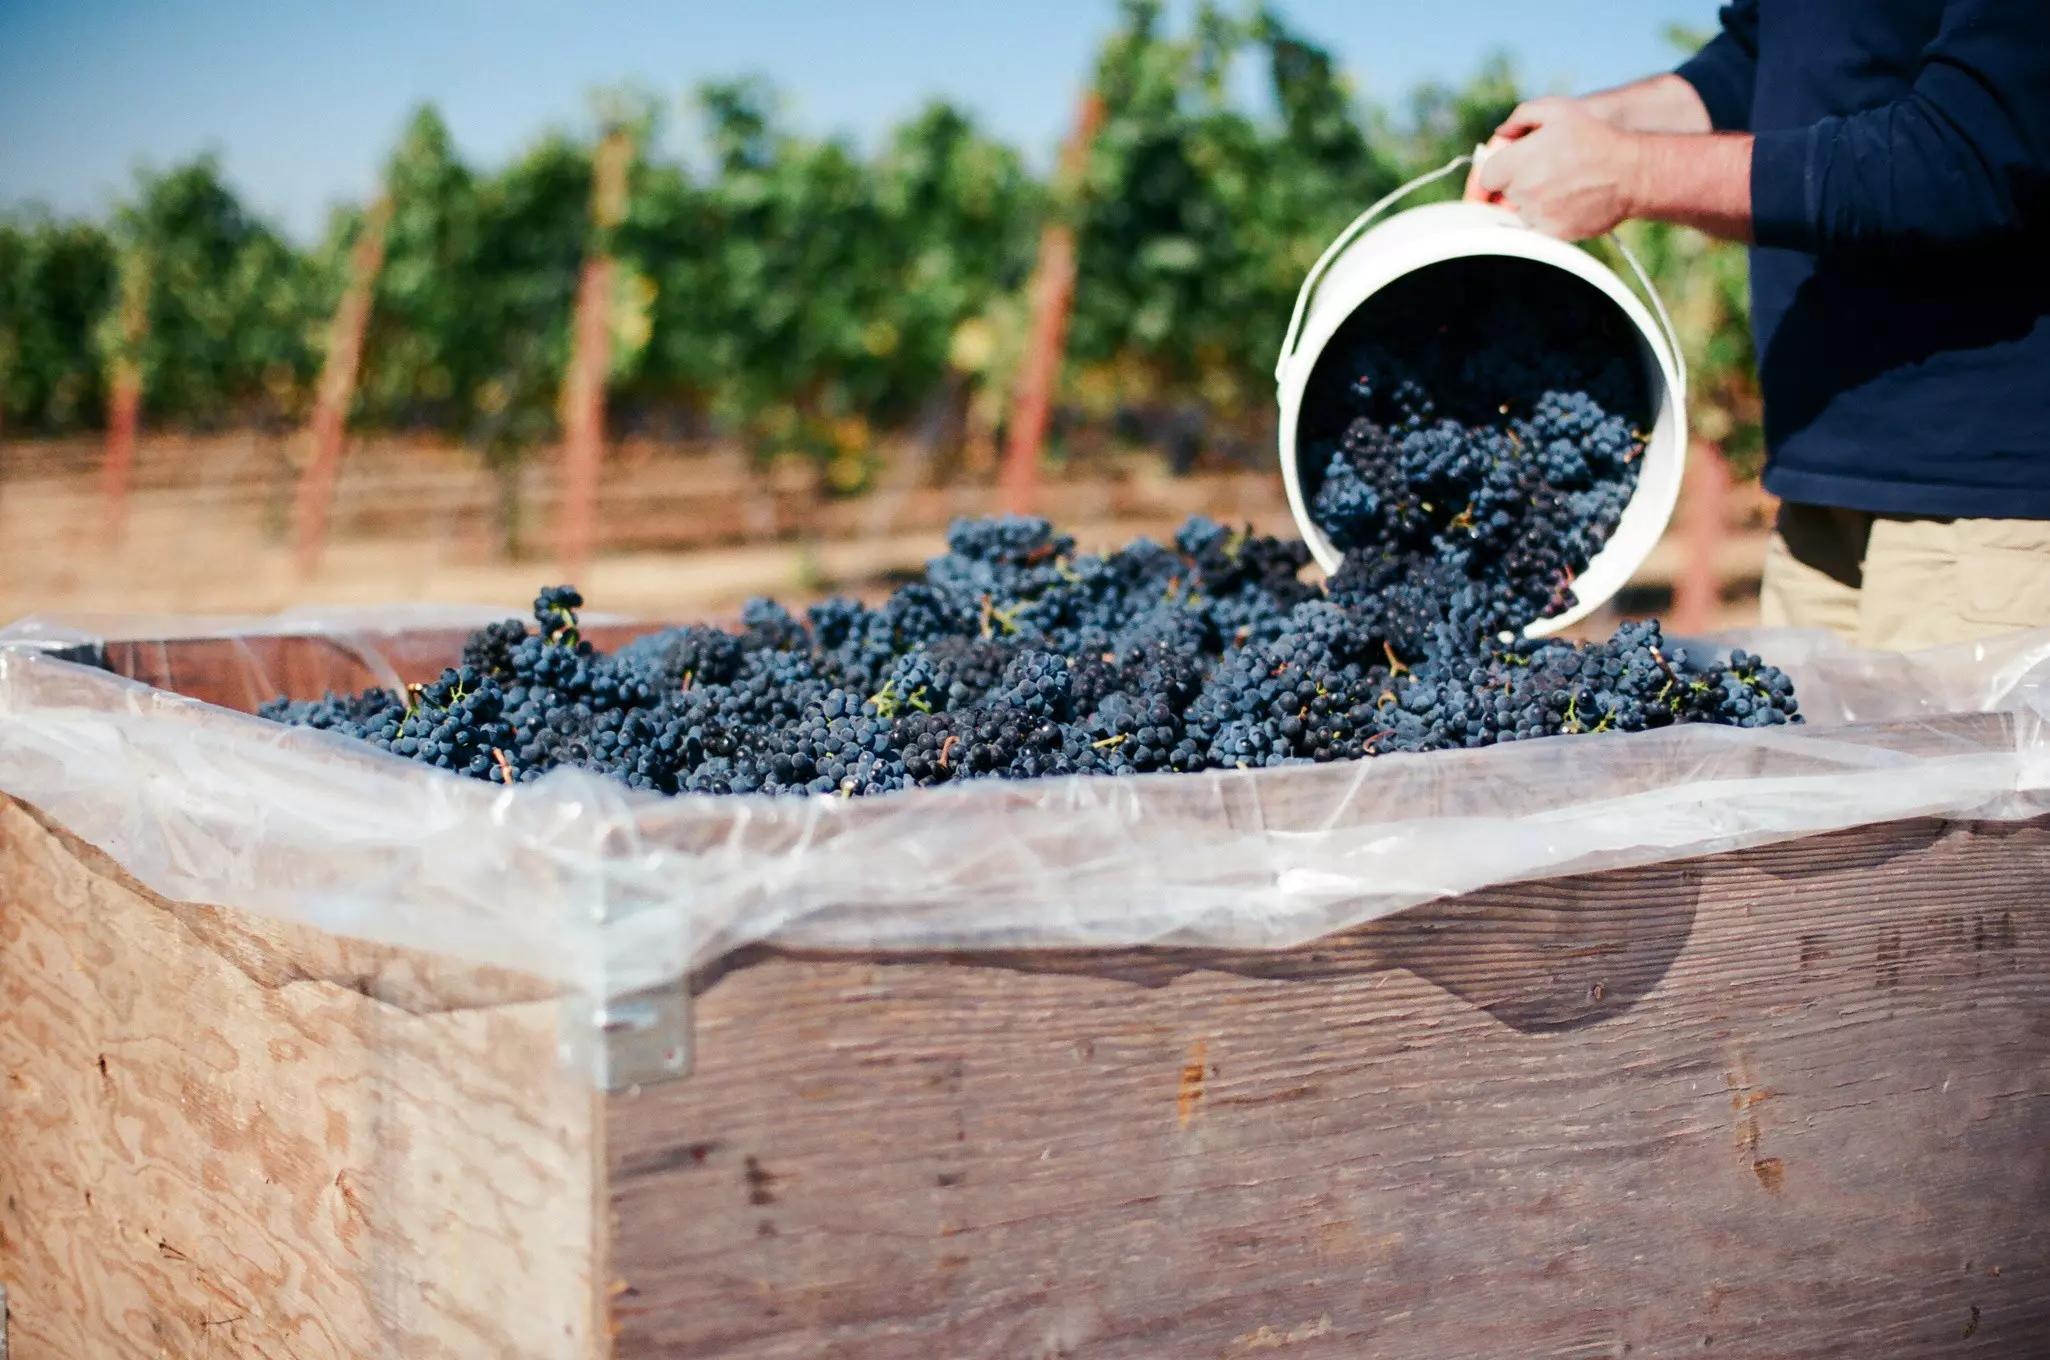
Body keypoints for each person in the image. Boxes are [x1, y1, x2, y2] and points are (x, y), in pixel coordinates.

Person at [1463, 2, 2050, 651]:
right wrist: (1603, 123)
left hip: (1986, 506)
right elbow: (1759, 59)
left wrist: (1634, 171)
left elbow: (1968, 153)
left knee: (1963, 757)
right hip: (1814, 493)